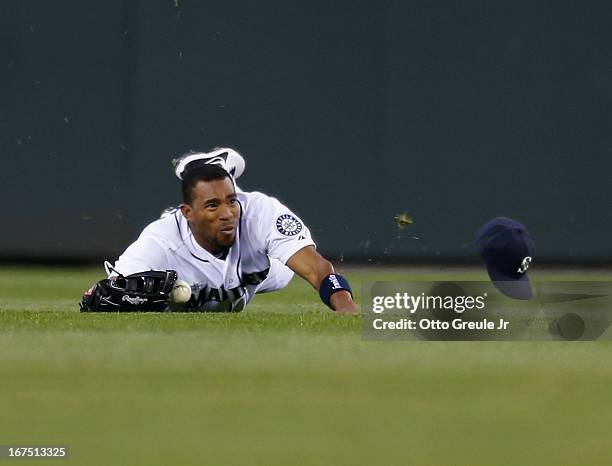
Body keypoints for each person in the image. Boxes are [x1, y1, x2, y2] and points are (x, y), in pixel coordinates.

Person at [81, 148, 358, 314]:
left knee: (287, 273)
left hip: (263, 267)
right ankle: (207, 167)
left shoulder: (259, 213)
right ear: (188, 213)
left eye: (232, 201)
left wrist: (345, 306)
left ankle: (214, 168)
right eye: (212, 206)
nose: (227, 214)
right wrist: (107, 296)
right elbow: (104, 294)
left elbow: (318, 269)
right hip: (191, 257)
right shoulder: (160, 242)